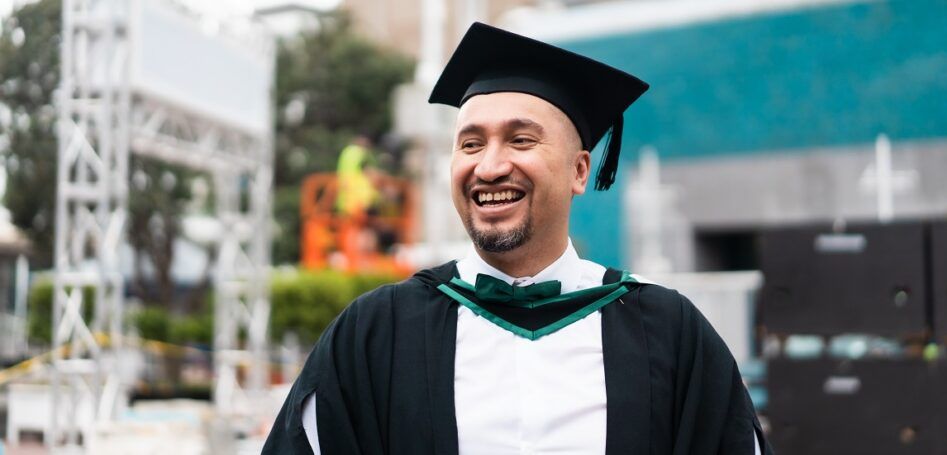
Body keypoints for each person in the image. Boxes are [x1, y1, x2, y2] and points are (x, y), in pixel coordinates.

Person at [262, 23, 770, 455]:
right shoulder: (375, 333)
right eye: (471, 143)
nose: (489, 166)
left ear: (579, 171)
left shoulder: (669, 332)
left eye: (521, 139)